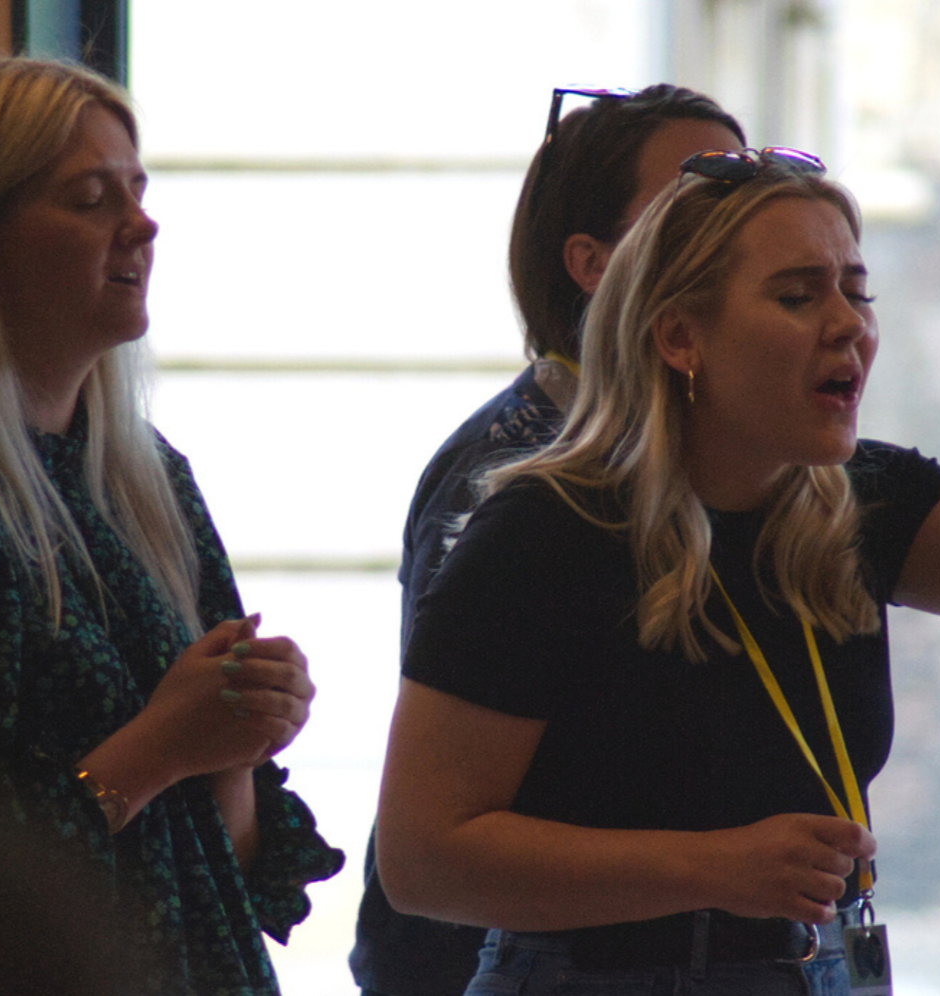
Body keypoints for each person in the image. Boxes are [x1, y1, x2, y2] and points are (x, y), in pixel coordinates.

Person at [374, 148, 940, 996]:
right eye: (798, 296)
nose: (849, 324)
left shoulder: (862, 499)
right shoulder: (547, 532)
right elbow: (422, 862)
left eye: (857, 290)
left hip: (815, 967)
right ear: (680, 337)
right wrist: (712, 868)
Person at [349, 85, 746, 996]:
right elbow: (452, 832)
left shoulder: (713, 457)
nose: (741, 230)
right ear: (592, 264)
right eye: (695, 206)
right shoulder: (521, 480)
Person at [0, 58, 344, 995]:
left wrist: (237, 735)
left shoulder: (144, 476)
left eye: (138, 193)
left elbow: (235, 857)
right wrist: (164, 745)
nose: (142, 226)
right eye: (91, 198)